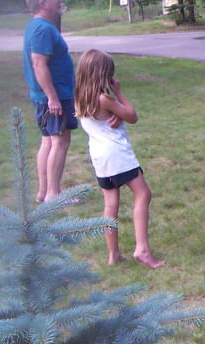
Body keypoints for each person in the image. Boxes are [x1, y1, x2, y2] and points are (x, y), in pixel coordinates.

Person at [74, 49, 164, 268]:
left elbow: (104, 118)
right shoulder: (104, 98)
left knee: (110, 203)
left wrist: (115, 114)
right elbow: (132, 117)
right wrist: (120, 94)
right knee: (143, 194)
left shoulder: (80, 98)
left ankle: (113, 254)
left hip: (99, 158)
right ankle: (142, 248)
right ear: (102, 74)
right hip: (118, 154)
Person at [22, 0, 78, 203]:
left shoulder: (35, 26)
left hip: (46, 96)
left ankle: (43, 192)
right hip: (53, 97)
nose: (58, 2)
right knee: (60, 142)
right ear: (44, 4)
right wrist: (53, 98)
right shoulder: (42, 29)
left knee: (47, 140)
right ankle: (54, 196)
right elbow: (38, 65)